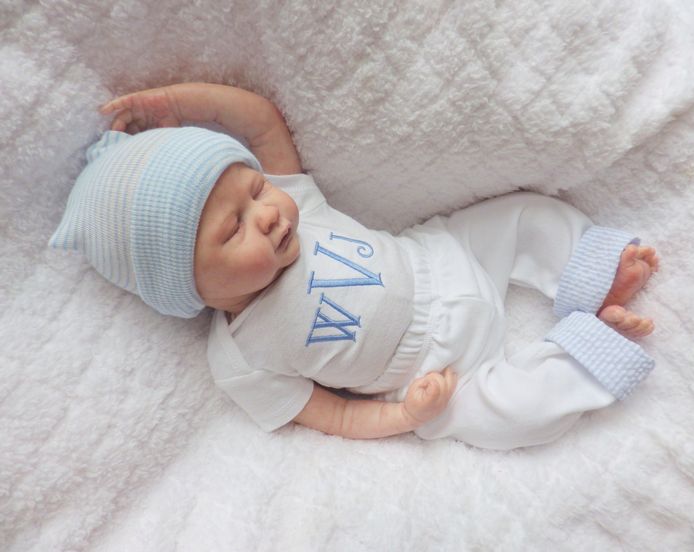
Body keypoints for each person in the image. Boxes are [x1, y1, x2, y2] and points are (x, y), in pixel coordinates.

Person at [49, 83, 659, 450]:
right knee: (515, 419)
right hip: (438, 375)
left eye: (257, 189)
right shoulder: (240, 359)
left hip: (445, 258)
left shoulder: (300, 210)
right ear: (184, 285)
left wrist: (178, 103)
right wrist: (406, 415)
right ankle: (586, 349)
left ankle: (590, 272)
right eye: (234, 229)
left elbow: (259, 118)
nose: (267, 214)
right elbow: (334, 414)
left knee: (522, 215)